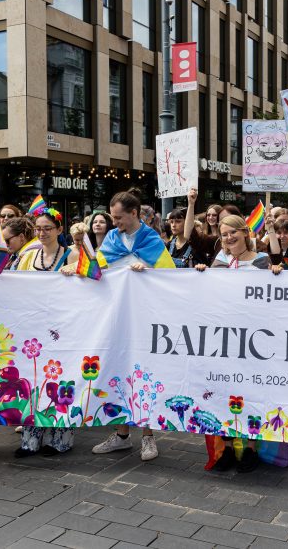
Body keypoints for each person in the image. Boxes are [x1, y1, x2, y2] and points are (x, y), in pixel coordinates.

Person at [190, 214, 278, 472]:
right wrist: (202, 274)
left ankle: (250, 448)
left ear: (245, 233)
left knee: (252, 392)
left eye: (233, 233)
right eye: (224, 234)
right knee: (224, 392)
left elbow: (274, 295)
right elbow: (211, 295)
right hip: (225, 339)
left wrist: (277, 273)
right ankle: (226, 448)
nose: (229, 238)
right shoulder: (220, 260)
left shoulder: (262, 261)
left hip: (255, 340)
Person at [91, 191, 175, 461]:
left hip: (144, 317)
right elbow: (97, 269)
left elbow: (170, 275)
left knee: (143, 373)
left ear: (135, 214)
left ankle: (148, 436)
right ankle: (122, 435)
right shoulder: (113, 239)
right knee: (118, 371)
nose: (115, 223)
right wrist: (75, 267)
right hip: (117, 317)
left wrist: (149, 271)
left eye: (119, 218)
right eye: (113, 218)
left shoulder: (151, 239)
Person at [5, 208, 80, 457]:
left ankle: (60, 438)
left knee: (60, 381)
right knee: (33, 380)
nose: (42, 233)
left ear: (59, 230)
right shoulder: (28, 256)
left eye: (48, 228)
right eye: (38, 228)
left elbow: (88, 285)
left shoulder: (72, 255)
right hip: (33, 330)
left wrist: (76, 271)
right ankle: (31, 437)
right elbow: (11, 282)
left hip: (62, 329)